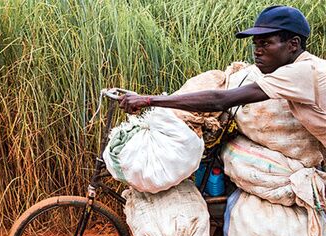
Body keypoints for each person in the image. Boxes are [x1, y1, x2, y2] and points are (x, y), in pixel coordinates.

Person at [118, 5, 326, 149]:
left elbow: (220, 100)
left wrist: (148, 100)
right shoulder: (305, 68)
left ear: (293, 44)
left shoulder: (301, 72)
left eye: (266, 43)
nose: (257, 51)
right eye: (255, 44)